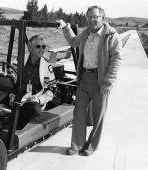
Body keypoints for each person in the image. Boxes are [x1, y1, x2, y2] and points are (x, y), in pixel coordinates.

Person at [56, 5, 122, 156]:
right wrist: (66, 27)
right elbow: (73, 42)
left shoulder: (111, 36)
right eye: (89, 17)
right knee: (78, 112)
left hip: (101, 80)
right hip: (84, 78)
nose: (92, 20)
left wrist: (109, 81)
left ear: (102, 18)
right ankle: (77, 145)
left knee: (98, 115)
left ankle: (92, 146)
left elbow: (117, 59)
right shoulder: (86, 33)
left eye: (95, 17)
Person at [12, 35, 56, 130]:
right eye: (38, 46)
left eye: (43, 47)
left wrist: (39, 99)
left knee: (34, 109)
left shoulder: (46, 68)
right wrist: (11, 93)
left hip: (31, 100)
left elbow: (51, 90)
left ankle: (15, 128)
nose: (41, 49)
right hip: (16, 95)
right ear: (30, 47)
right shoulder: (19, 60)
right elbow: (11, 78)